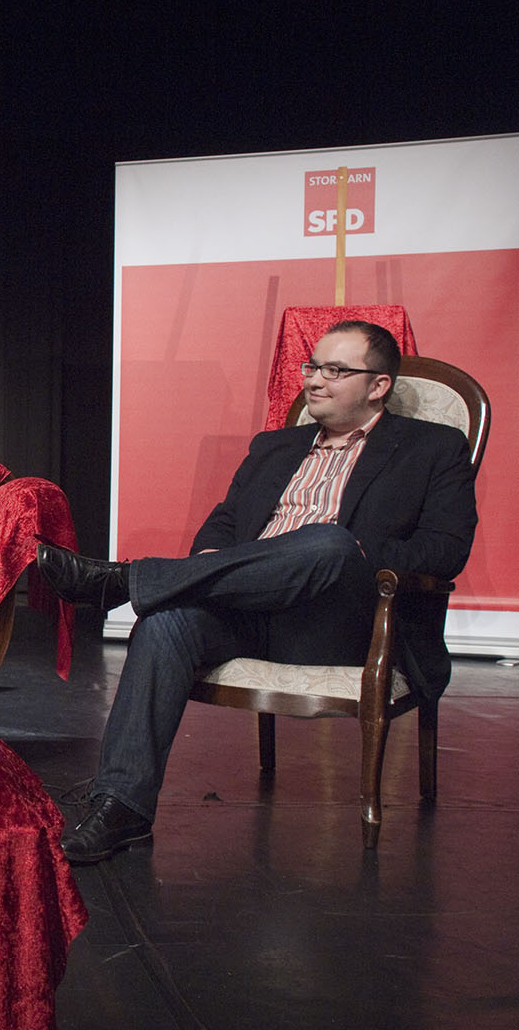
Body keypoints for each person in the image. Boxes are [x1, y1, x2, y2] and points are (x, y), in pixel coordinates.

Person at [37, 320, 479, 864]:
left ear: (379, 385)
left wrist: (360, 555)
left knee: (327, 543)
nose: (314, 380)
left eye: (334, 371)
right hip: (248, 610)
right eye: (311, 367)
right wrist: (206, 561)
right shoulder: (275, 446)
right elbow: (223, 525)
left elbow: (445, 550)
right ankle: (123, 806)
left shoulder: (433, 448)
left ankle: (123, 581)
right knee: (165, 622)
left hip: (345, 622)